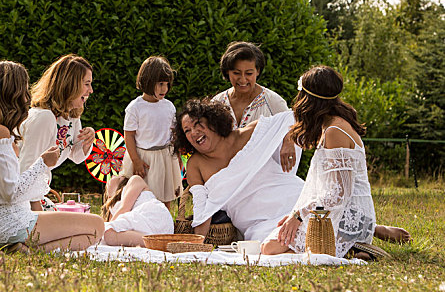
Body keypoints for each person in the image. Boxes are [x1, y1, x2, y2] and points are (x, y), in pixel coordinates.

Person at [173, 98, 410, 255]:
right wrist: (195, 246)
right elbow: (202, 208)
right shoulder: (195, 164)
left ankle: (367, 230)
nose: (194, 133)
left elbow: (294, 117)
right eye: (187, 131)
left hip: (292, 197)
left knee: (316, 215)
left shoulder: (248, 133)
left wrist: (287, 140)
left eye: (197, 125)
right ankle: (353, 243)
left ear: (212, 122)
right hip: (257, 219)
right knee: (272, 247)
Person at [0, 61, 104, 252]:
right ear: (11, 93)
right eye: (24, 91)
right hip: (10, 224)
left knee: (84, 232)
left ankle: (21, 248)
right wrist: (43, 163)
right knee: (97, 226)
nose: (27, 97)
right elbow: (11, 193)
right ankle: (26, 248)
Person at [261, 66, 410, 257]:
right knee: (271, 244)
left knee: (270, 248)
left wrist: (298, 216)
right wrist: (296, 214)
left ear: (308, 100)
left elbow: (338, 194)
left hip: (344, 215)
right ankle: (360, 240)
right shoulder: (331, 126)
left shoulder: (335, 132)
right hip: (339, 213)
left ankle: (355, 244)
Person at [18, 54, 96, 211]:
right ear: (70, 84)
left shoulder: (71, 115)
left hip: (38, 195)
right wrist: (37, 213)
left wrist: (89, 139)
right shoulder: (44, 117)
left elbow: (76, 156)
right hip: (23, 201)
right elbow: (25, 168)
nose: (91, 91)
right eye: (86, 84)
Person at [212, 42, 298, 172]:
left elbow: (292, 124)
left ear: (257, 71)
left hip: (261, 176)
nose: (242, 79)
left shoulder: (273, 101)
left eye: (249, 73)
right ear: (227, 72)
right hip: (223, 174)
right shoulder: (217, 102)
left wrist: (288, 142)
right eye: (236, 73)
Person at [119, 56, 182, 209]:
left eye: (167, 84)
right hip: (144, 158)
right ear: (148, 81)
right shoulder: (135, 107)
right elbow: (129, 135)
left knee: (165, 195)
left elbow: (174, 134)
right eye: (160, 84)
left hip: (165, 157)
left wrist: (178, 155)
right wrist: (136, 160)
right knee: (141, 197)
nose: (164, 89)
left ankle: (165, 227)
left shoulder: (169, 106)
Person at [102, 175, 174, 247]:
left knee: (108, 234)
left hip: (154, 215)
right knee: (108, 235)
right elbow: (113, 222)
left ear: (123, 179)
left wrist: (107, 227)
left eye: (117, 176)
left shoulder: (134, 180)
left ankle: (156, 242)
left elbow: (124, 208)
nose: (112, 175)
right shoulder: (112, 206)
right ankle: (156, 242)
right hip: (144, 226)